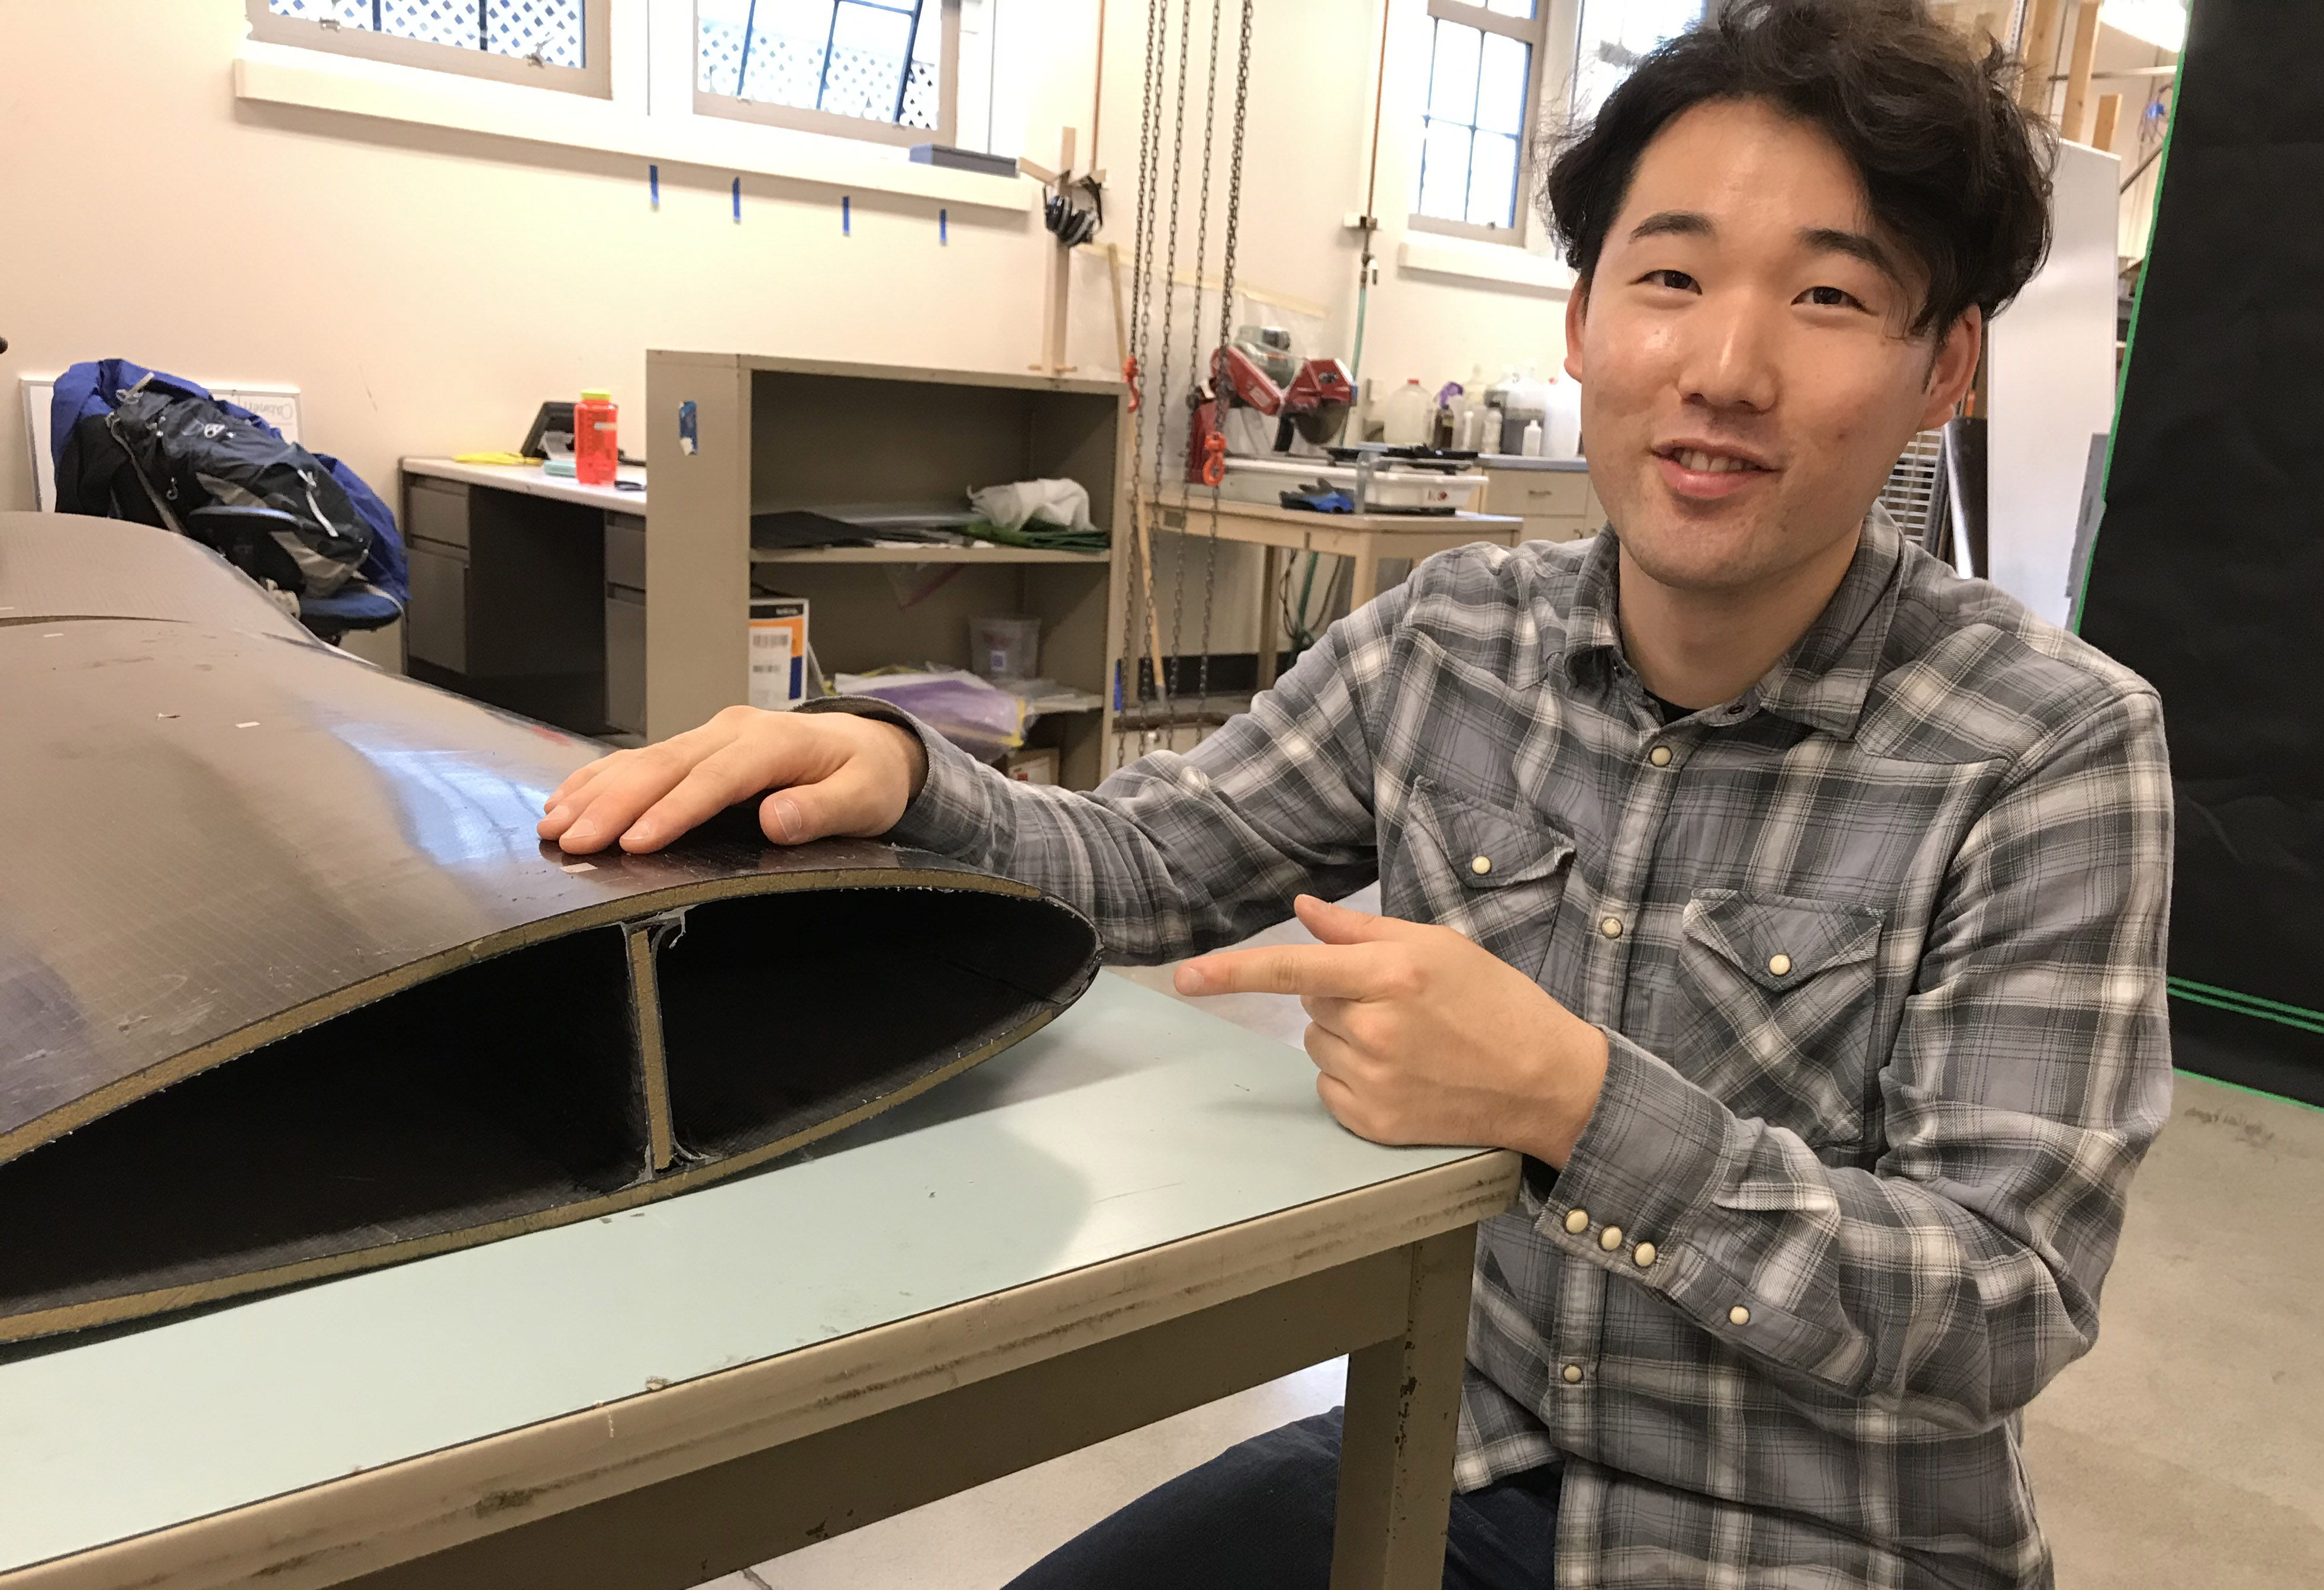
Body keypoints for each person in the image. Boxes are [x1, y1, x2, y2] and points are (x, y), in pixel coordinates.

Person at [538, 1, 2171, 1582]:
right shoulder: (1455, 642)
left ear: (1945, 366)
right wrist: (901, 770)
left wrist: (1578, 1108)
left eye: (1828, 299)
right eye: (1669, 276)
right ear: (1587, 324)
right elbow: (1150, 867)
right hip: (1457, 1442)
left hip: (1813, 1540)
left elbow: (1999, 1301)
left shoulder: (2047, 750)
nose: (1726, 367)